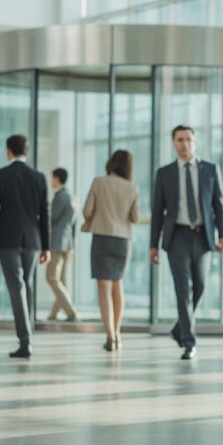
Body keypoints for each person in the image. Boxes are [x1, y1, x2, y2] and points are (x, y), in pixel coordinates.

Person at [149, 125, 223, 360]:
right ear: (174, 143)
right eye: (180, 140)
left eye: (188, 139)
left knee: (200, 286)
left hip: (203, 236)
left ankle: (179, 328)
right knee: (183, 289)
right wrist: (153, 245)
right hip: (177, 237)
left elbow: (219, 206)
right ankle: (189, 341)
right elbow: (157, 212)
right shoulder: (164, 173)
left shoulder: (211, 170)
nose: (185, 144)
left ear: (196, 142)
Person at [0, 134, 50, 359]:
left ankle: (26, 341)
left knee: (16, 288)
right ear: (26, 151)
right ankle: (27, 336)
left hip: (8, 238)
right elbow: (45, 215)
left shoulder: (0, 175)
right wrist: (46, 247)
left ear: (9, 151)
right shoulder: (39, 178)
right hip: (32, 240)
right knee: (26, 285)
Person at [82, 150, 139, 352]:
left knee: (103, 288)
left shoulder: (99, 182)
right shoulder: (132, 187)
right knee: (118, 284)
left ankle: (110, 336)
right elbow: (135, 217)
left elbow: (87, 210)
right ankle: (119, 333)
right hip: (123, 240)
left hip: (102, 237)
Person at [46, 167, 78, 323]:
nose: (51, 181)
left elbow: (51, 219)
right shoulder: (71, 196)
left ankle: (71, 312)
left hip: (57, 243)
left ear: (57, 179)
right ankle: (53, 314)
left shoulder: (60, 197)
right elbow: (72, 224)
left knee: (52, 278)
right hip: (67, 243)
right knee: (62, 280)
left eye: (52, 178)